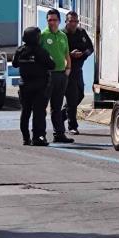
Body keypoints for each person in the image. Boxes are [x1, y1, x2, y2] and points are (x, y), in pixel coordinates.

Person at [12, 27, 55, 146]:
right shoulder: (41, 51)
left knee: (25, 112)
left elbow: (15, 64)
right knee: (39, 112)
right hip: (39, 87)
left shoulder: (20, 50)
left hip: (24, 86)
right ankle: (38, 137)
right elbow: (52, 65)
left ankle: (26, 138)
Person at [41, 9, 74, 144]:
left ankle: (59, 134)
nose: (52, 23)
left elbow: (66, 54)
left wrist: (68, 68)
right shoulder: (43, 35)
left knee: (57, 106)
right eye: (49, 20)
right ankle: (40, 134)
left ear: (59, 21)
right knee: (42, 106)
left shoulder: (62, 36)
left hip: (61, 75)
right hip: (47, 76)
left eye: (54, 20)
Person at [63, 11, 93, 135]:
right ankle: (72, 126)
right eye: (70, 21)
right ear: (66, 22)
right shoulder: (61, 35)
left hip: (78, 69)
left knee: (80, 95)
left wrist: (83, 54)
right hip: (66, 70)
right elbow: (58, 52)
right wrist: (70, 54)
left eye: (75, 21)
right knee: (71, 98)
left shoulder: (81, 33)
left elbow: (90, 48)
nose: (73, 24)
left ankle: (59, 117)